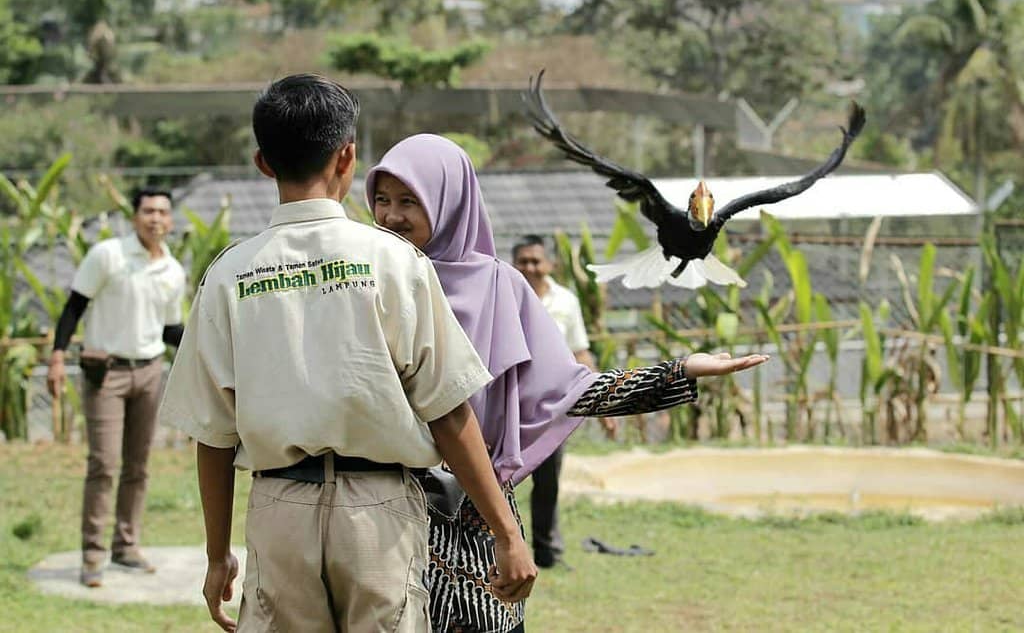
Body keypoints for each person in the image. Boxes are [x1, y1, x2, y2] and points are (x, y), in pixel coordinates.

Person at [159, 74, 536, 633]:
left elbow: (212, 435)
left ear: (263, 163)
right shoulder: (394, 261)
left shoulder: (229, 275)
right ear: (348, 157)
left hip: (279, 509)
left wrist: (219, 556)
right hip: (379, 513)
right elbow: (450, 409)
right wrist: (505, 533)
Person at [367, 133, 770, 632]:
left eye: (410, 201)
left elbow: (571, 389)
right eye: (381, 200)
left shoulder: (500, 288)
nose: (390, 216)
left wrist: (677, 371)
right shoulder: (364, 284)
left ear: (451, 202)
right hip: (379, 513)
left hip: (478, 519)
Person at [46, 187, 186, 588]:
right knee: (104, 464)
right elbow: (75, 306)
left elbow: (169, 328)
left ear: (171, 220)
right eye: (148, 211)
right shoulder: (108, 255)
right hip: (105, 373)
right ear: (134, 217)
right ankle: (92, 555)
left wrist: (209, 341)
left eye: (162, 212)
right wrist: (57, 357)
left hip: (149, 372)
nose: (155, 218)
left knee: (138, 467)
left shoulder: (172, 271)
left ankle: (126, 547)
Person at [511, 234, 602, 570]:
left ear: (549, 264)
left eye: (536, 261)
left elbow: (580, 351)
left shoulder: (566, 301)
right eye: (523, 261)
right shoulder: (504, 297)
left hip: (550, 409)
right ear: (513, 264)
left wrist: (599, 398)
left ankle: (547, 553)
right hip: (507, 406)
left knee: (547, 482)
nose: (530, 268)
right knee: (497, 479)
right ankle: (499, 550)